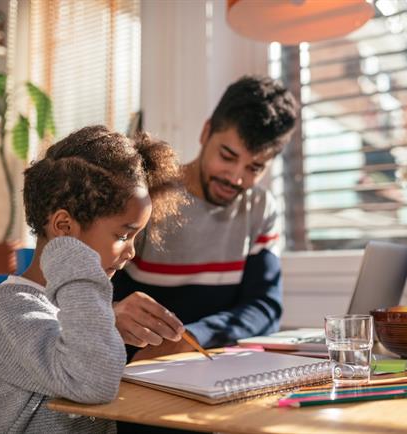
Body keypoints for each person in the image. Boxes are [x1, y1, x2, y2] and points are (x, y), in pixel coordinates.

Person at [0, 126, 185, 433]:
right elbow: (93, 380)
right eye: (124, 235)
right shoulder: (9, 310)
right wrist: (66, 252)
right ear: (63, 225)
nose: (131, 252)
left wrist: (108, 318)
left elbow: (68, 334)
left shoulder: (76, 306)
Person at [113, 75, 298, 361]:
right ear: (206, 132)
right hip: (132, 367)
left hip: (212, 364)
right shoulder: (145, 195)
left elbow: (264, 307)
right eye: (227, 156)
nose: (236, 177)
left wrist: (192, 337)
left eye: (255, 167)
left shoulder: (260, 208)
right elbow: (91, 292)